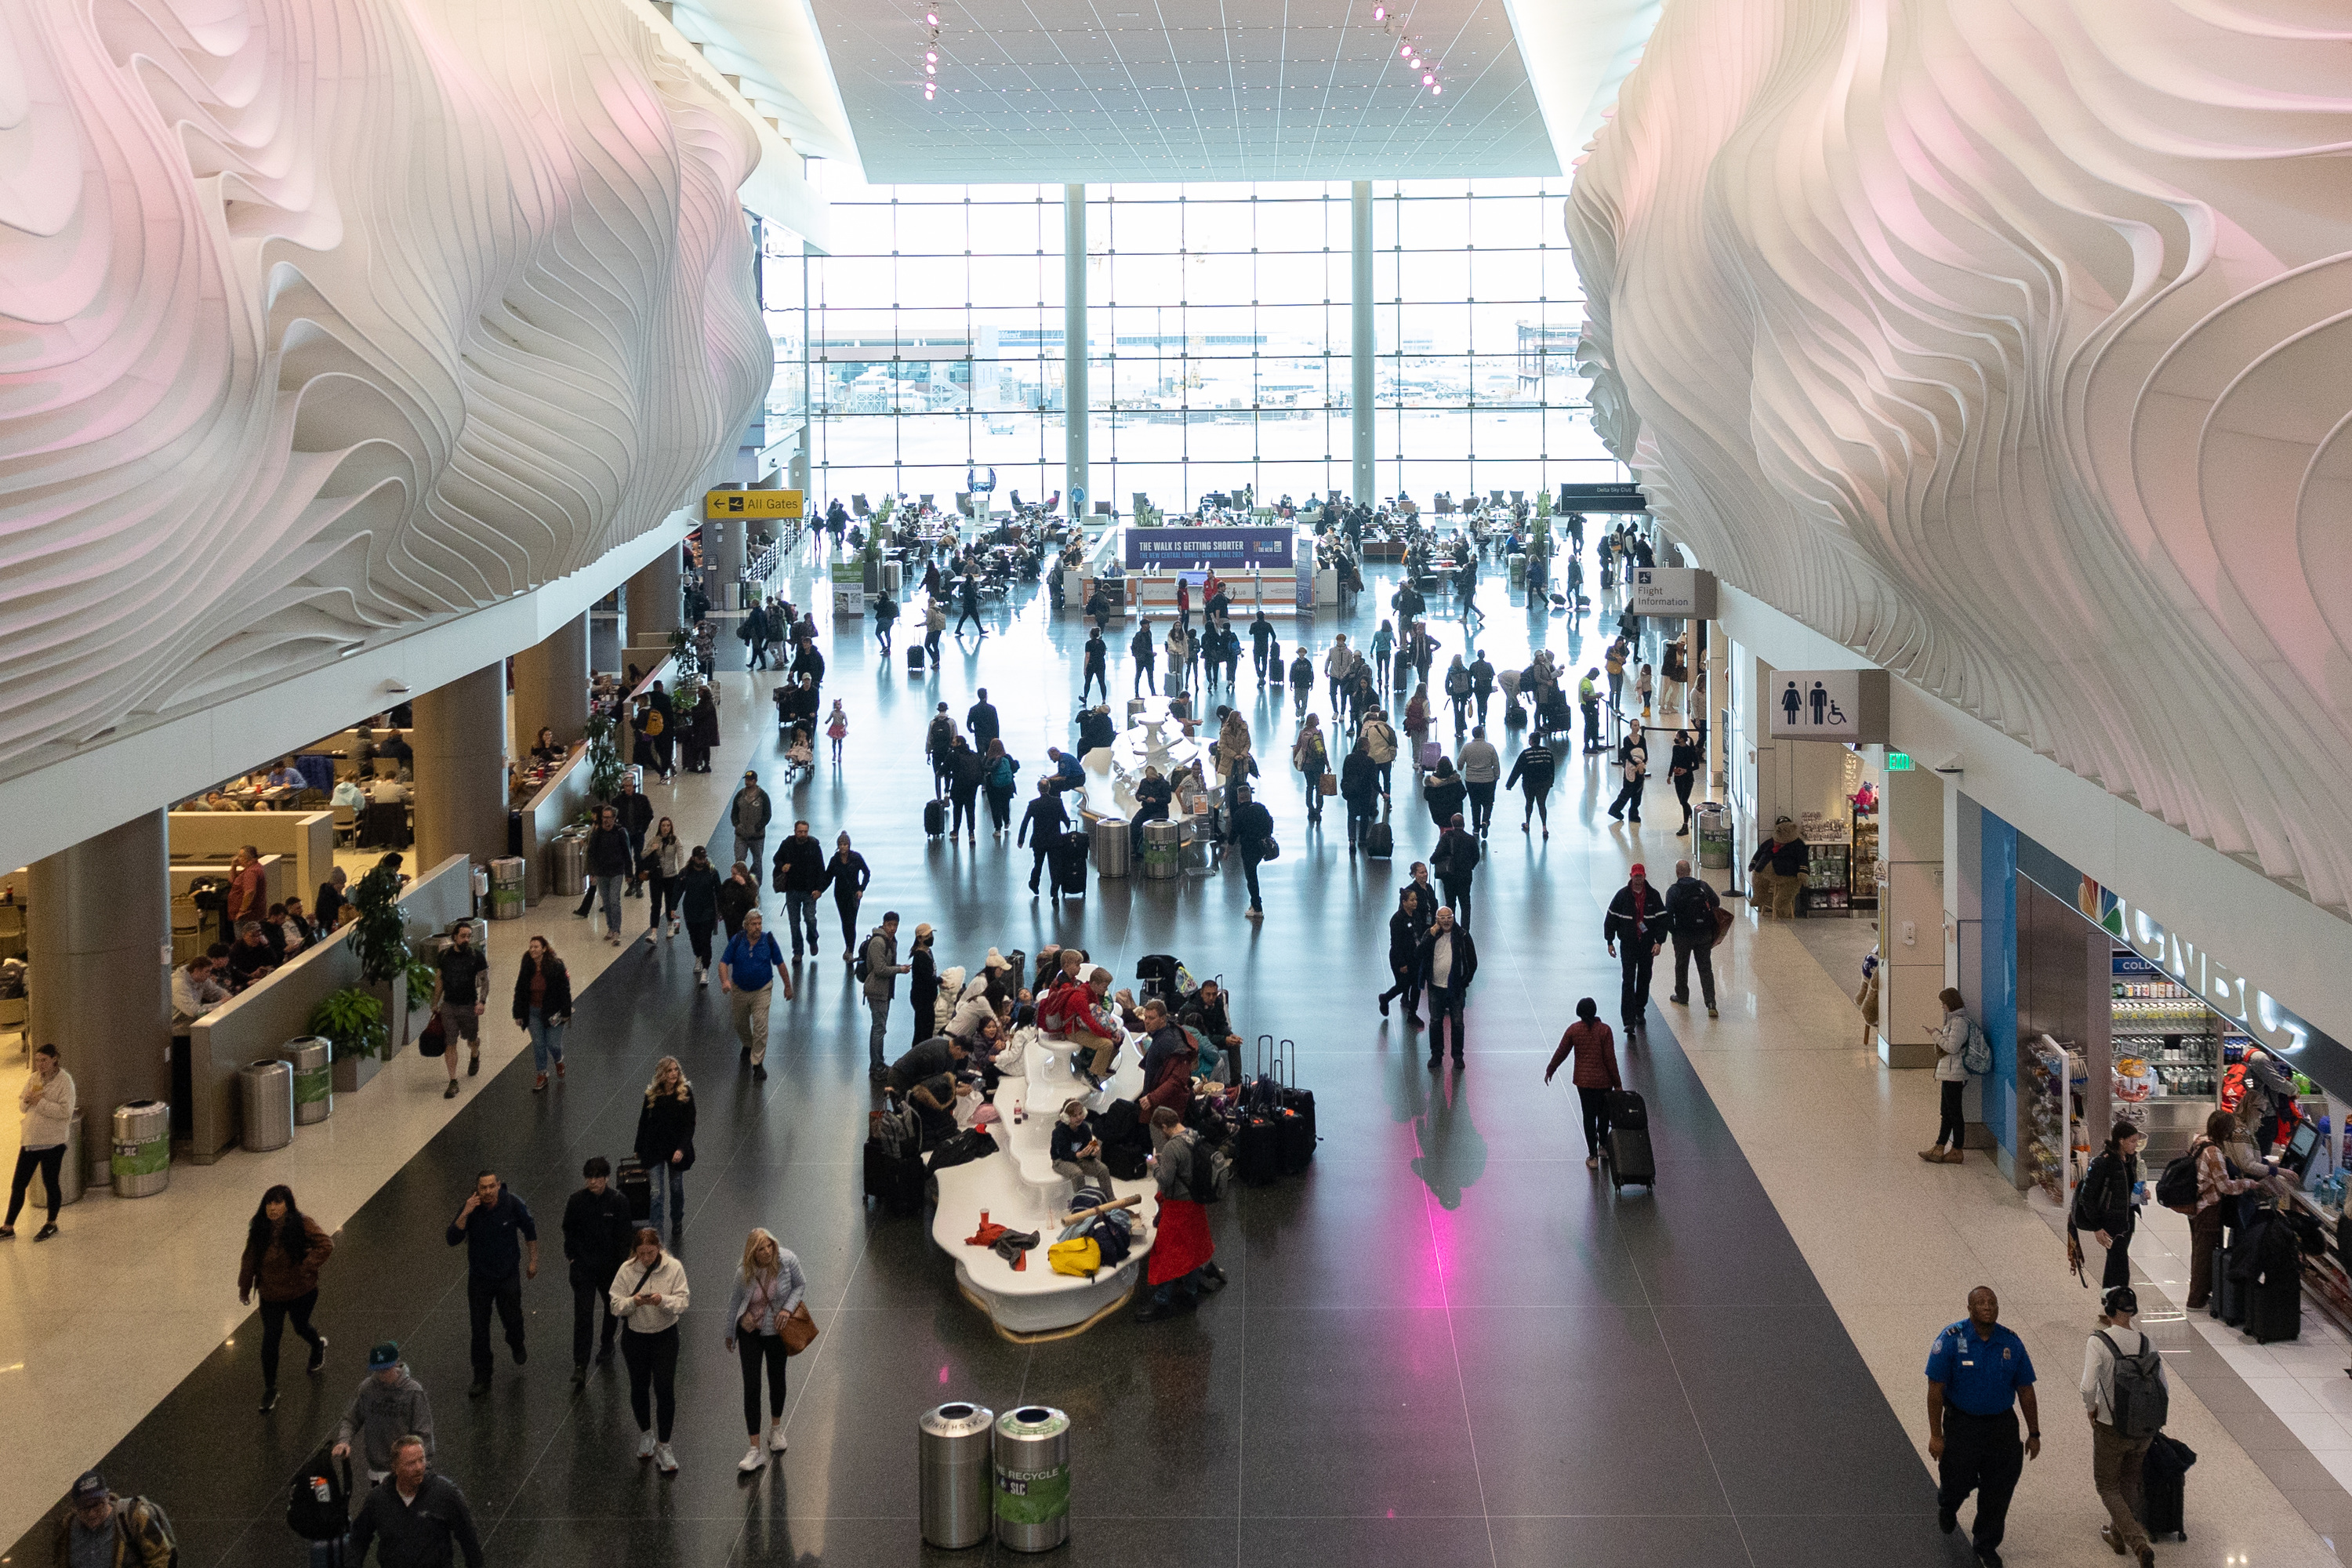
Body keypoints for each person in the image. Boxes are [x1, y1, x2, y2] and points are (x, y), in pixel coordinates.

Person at [1926, 1287, 2041, 1568]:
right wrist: (1936, 1435)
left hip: (2001, 1425)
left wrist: (2034, 1433)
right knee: (1957, 1479)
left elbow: (2025, 1390)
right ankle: (1948, 1502)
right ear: (1970, 1309)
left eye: (1992, 1302)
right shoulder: (1951, 1339)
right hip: (1962, 1424)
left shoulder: (2011, 1343)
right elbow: (1935, 1390)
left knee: (1999, 1487)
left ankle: (1986, 1543)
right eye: (1981, 1302)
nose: (1988, 1306)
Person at [2079, 1285, 2165, 1567]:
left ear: (2109, 1310)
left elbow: (2087, 1386)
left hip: (2110, 1426)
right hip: (2144, 1430)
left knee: (2107, 1485)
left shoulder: (2098, 1342)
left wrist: (2091, 1409)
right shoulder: (2146, 1343)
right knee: (2129, 1480)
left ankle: (2137, 1543)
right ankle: (2116, 1535)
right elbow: (2164, 1388)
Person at [238, 1182, 332, 1410]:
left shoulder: (301, 1224)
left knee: (300, 1326)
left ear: (287, 1205)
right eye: (269, 1202)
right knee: (270, 1339)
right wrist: (244, 1286)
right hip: (270, 1295)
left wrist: (307, 1266)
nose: (273, 1208)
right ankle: (270, 1388)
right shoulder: (259, 1228)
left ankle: (317, 1345)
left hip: (301, 1291)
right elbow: (249, 1259)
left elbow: (326, 1244)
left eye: (278, 1202)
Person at [445, 1170, 537, 1397]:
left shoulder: (513, 1204)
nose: (487, 1192)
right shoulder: (470, 1208)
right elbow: (451, 1239)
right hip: (480, 1278)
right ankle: (482, 1376)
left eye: (491, 1187)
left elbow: (530, 1231)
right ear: (477, 1190)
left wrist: (533, 1260)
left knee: (513, 1317)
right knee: (479, 1329)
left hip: (508, 1275)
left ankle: (516, 1341)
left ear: (498, 1186)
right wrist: (465, 1213)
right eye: (482, 1188)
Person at [608, 1227, 690, 1475]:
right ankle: (646, 1434)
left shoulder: (674, 1268)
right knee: (639, 1387)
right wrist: (633, 1302)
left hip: (666, 1337)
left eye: (651, 1253)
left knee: (665, 1389)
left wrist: (662, 1300)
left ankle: (665, 1446)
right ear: (635, 1252)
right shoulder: (626, 1271)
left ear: (659, 1249)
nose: (646, 1258)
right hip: (636, 1338)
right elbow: (615, 1305)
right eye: (642, 1254)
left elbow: (683, 1302)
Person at [726, 1228, 808, 1471]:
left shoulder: (787, 1261)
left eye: (769, 1246)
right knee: (752, 1385)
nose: (766, 1252)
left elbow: (800, 1285)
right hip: (750, 1331)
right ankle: (754, 1448)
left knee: (777, 1377)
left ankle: (776, 1429)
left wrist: (787, 1309)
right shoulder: (744, 1271)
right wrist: (731, 1332)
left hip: (776, 1330)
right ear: (753, 1252)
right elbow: (734, 1303)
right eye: (761, 1249)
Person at [1136, 1105, 1225, 1322]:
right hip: (1196, 1202)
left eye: (1160, 1129)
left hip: (1178, 1207)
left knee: (1166, 1253)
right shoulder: (1193, 1135)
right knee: (1191, 1249)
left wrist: (1154, 1166)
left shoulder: (1171, 1149)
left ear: (1165, 1126)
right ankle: (1190, 1292)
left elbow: (1165, 1181)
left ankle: (1162, 1300)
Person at [347, 1432, 482, 1567]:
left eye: (421, 1460)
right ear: (396, 1467)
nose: (419, 1468)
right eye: (411, 1463)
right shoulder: (378, 1499)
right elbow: (358, 1539)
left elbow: (469, 1539)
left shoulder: (445, 1494)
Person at [2185, 1109, 2268, 1311]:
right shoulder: (2213, 1152)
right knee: (2204, 1255)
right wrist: (2248, 1183)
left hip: (2197, 1206)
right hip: (2208, 1208)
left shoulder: (2200, 1141)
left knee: (2199, 1251)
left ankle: (2205, 1294)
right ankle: (2196, 1300)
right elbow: (2225, 1186)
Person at [562, 1158, 633, 1385]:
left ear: (606, 1178)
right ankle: (580, 1364)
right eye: (589, 1178)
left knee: (612, 1307)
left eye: (597, 1178)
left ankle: (606, 1343)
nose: (593, 1182)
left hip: (610, 1267)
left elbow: (625, 1236)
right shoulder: (576, 1202)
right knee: (583, 1315)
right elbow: (568, 1230)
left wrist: (623, 1266)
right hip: (583, 1267)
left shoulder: (618, 1202)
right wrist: (572, 1257)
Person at [332, 1343, 434, 1484]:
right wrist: (344, 1441)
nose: (382, 1375)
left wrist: (423, 1467)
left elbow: (423, 1432)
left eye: (386, 1370)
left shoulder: (413, 1392)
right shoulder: (367, 1389)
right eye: (378, 1370)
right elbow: (351, 1419)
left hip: (406, 1469)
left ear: (397, 1363)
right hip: (377, 1470)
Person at [3, 1043, 74, 1243]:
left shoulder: (65, 1082)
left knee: (50, 1183)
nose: (40, 1064)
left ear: (54, 1059)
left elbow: (65, 1112)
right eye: (37, 1060)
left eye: (44, 1060)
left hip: (53, 1142)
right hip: (31, 1141)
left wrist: (40, 1103)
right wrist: (26, 1100)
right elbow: (22, 1106)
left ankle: (51, 1223)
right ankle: (8, 1226)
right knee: (18, 1184)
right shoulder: (34, 1078)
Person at [1544, 999, 1621, 1168]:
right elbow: (1610, 1059)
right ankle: (1603, 1147)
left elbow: (1561, 1051)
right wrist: (1618, 1084)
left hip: (1584, 1083)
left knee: (1588, 1116)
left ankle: (1592, 1156)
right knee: (1603, 1115)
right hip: (1604, 1082)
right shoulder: (1605, 1030)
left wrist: (1551, 1068)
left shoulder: (1574, 1030)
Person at [2072, 1121, 2146, 1292]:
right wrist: (2097, 1227)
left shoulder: (2131, 1160)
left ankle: (2108, 1302)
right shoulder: (2102, 1163)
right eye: (2132, 1141)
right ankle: (2121, 1304)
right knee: (2120, 1265)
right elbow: (2087, 1197)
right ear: (2121, 1141)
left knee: (2115, 1260)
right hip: (2110, 1222)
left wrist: (2141, 1194)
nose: (2136, 1145)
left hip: (2127, 1218)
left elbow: (2128, 1187)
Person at [51, 1469, 177, 1568]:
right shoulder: (68, 1528)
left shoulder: (132, 1517)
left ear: (107, 1497)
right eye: (83, 1508)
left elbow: (161, 1557)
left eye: (97, 1504)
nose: (91, 1513)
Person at [719, 912, 791, 1081]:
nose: (758, 927)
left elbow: (780, 964)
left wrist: (788, 986)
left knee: (760, 1026)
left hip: (762, 989)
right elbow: (723, 963)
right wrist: (724, 981)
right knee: (739, 1023)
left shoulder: (769, 941)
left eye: (760, 923)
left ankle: (757, 1064)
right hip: (739, 989)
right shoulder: (737, 941)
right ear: (746, 926)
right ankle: (747, 1043)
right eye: (754, 924)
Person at [633, 1058, 697, 1243]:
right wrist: (638, 1148)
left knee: (676, 1188)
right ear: (662, 1074)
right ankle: (656, 1236)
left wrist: (681, 1149)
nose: (674, 1074)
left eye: (676, 1070)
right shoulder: (652, 1095)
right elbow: (643, 1122)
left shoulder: (685, 1094)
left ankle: (677, 1219)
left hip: (676, 1149)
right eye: (669, 1071)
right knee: (656, 1193)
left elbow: (690, 1125)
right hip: (654, 1149)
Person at [1602, 863, 1667, 1039]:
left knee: (1645, 978)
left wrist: (1659, 942)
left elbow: (1662, 921)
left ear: (1644, 877)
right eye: (1635, 877)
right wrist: (1610, 941)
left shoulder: (1653, 896)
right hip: (1629, 946)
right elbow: (1611, 919)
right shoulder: (1622, 896)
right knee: (1628, 980)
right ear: (1631, 876)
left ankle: (1640, 1010)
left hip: (1647, 946)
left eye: (1640, 877)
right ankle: (1628, 1020)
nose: (1638, 880)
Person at [430, 919, 488, 1099]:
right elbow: (439, 980)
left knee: (471, 1039)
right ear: (455, 937)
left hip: (469, 1006)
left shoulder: (476, 956)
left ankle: (475, 1052)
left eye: (469, 936)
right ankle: (453, 1080)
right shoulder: (444, 956)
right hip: (449, 1006)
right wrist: (435, 1002)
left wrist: (482, 1001)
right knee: (450, 1041)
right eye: (463, 936)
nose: (466, 940)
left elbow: (485, 980)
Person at [507, 935, 572, 1092]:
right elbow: (520, 990)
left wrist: (566, 1012)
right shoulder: (527, 967)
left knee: (553, 1044)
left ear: (544, 949)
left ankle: (558, 1060)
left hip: (553, 1012)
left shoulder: (556, 966)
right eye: (531, 947)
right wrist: (518, 1013)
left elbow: (565, 990)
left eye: (536, 947)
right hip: (533, 1012)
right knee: (538, 1043)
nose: (533, 950)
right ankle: (542, 1073)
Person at [1417, 906, 1477, 1068]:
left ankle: (1458, 1056)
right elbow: (1419, 954)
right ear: (1437, 920)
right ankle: (1436, 1055)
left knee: (1457, 1023)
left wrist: (1464, 981)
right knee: (1435, 1022)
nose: (1446, 921)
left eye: (1448, 917)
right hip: (1436, 987)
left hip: (1455, 988)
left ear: (1453, 917)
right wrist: (1430, 934)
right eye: (1442, 918)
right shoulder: (1430, 935)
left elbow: (1472, 962)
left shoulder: (1463, 936)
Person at [1663, 858, 1722, 1018]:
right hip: (1704, 934)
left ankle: (1682, 997)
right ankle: (1711, 1003)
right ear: (1690, 871)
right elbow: (1717, 902)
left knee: (1681, 966)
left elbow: (1667, 914)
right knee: (1705, 968)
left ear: (1677, 872)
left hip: (1683, 935)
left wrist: (1674, 931)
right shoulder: (1702, 886)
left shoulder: (1674, 890)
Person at [1923, 987, 1975, 1164]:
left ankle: (1956, 1149)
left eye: (1943, 1003)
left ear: (1951, 1003)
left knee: (1953, 1113)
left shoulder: (1959, 1022)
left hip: (1954, 1073)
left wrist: (1935, 1035)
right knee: (1947, 1112)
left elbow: (1952, 1047)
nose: (1942, 1006)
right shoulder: (1957, 1021)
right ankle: (1940, 1146)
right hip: (1950, 1072)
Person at [861, 913, 910, 1078]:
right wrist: (899, 969)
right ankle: (876, 1066)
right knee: (878, 1029)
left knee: (879, 1028)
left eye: (895, 925)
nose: (893, 929)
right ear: (884, 924)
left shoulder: (890, 941)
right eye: (890, 925)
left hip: (884, 991)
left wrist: (897, 967)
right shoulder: (878, 942)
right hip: (877, 991)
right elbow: (880, 969)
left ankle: (878, 1063)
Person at [771, 819, 826, 960]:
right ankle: (798, 951)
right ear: (795, 831)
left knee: (810, 919)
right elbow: (777, 859)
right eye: (800, 832)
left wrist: (820, 889)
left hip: (810, 891)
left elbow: (821, 869)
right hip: (792, 890)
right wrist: (782, 866)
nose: (803, 834)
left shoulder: (814, 846)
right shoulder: (787, 844)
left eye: (805, 832)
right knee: (794, 923)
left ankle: (813, 939)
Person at [1377, 886, 1428, 1025]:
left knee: (1416, 986)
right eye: (1412, 900)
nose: (1415, 902)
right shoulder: (1397, 920)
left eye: (1416, 900)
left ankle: (1412, 1014)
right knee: (1403, 985)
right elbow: (1396, 944)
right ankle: (1385, 998)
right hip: (1400, 958)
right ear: (1404, 902)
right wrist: (1402, 963)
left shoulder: (1417, 916)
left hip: (1415, 957)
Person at [583, 804, 633, 947]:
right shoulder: (597, 834)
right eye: (604, 817)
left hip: (617, 871)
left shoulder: (620, 832)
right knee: (606, 901)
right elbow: (591, 854)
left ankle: (616, 930)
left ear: (614, 818)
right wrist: (592, 872)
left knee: (614, 900)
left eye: (609, 817)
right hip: (602, 872)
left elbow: (627, 854)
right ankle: (610, 927)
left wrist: (629, 874)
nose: (606, 821)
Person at [1228, 784, 1276, 921]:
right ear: (1250, 796)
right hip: (1261, 848)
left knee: (1251, 877)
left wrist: (1228, 851)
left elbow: (1234, 834)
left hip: (1248, 849)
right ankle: (1255, 904)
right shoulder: (1260, 808)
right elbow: (1270, 822)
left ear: (1239, 798)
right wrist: (1267, 835)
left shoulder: (1239, 814)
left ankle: (1257, 907)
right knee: (1253, 874)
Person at [676, 847, 721, 987]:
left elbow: (719, 891)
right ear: (694, 858)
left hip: (707, 911)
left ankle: (706, 969)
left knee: (705, 939)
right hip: (690, 911)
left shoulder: (712, 872)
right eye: (700, 858)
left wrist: (721, 911)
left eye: (704, 858)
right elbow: (678, 889)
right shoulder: (685, 872)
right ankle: (698, 956)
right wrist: (672, 907)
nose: (703, 860)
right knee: (694, 937)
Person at [1751, 815, 1812, 918]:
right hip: (1764, 870)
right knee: (1758, 877)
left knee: (1791, 885)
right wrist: (1753, 863)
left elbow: (1803, 859)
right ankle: (1759, 896)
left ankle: (1781, 904)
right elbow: (1760, 851)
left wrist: (1803, 871)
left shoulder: (1798, 844)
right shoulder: (1770, 842)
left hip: (1788, 873)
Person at [1019, 778, 1069, 895]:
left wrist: (1021, 839)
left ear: (1038, 790)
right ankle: (1054, 891)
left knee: (1038, 864)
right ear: (1049, 788)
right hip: (1054, 840)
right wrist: (1068, 826)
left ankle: (1034, 884)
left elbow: (1025, 822)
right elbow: (1065, 818)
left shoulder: (1033, 804)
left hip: (1039, 840)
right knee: (1054, 866)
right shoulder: (1057, 802)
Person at [826, 833, 871, 956]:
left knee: (851, 922)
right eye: (841, 844)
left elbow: (866, 873)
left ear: (849, 845)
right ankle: (848, 946)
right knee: (845, 921)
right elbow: (828, 877)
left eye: (845, 844)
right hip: (840, 894)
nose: (843, 847)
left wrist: (861, 889)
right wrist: (819, 890)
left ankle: (850, 950)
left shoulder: (856, 858)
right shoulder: (834, 860)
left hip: (853, 895)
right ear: (838, 846)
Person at [641, 815, 684, 942]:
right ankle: (653, 933)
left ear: (671, 827)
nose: (665, 828)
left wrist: (681, 873)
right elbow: (643, 854)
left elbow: (680, 857)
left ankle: (672, 926)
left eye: (668, 826)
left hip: (671, 876)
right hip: (656, 877)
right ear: (660, 827)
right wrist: (651, 849)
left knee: (671, 904)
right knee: (656, 904)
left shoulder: (676, 840)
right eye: (663, 826)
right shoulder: (654, 840)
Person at [1433, 813, 1479, 927]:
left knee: (1450, 904)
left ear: (1452, 824)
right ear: (1464, 824)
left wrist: (1433, 859)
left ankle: (1450, 928)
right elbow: (1476, 856)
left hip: (1449, 877)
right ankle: (1465, 930)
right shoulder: (1470, 839)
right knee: (1465, 905)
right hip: (1465, 877)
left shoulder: (1446, 837)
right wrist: (1470, 866)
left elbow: (1437, 855)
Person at [1505, 732, 1555, 837]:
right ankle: (1544, 828)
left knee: (1529, 802)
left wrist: (1510, 784)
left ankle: (1527, 823)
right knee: (1542, 804)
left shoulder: (1526, 754)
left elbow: (1517, 770)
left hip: (1529, 783)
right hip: (1544, 783)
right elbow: (1552, 769)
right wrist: (1551, 782)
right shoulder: (1547, 752)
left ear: (1531, 741)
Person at [613, 775, 654, 895]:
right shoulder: (617, 801)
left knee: (638, 857)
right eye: (626, 786)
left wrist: (643, 828)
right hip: (625, 835)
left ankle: (638, 883)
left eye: (630, 786)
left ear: (634, 786)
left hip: (638, 833)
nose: (628, 788)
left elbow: (649, 815)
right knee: (627, 859)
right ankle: (630, 882)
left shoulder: (642, 799)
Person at [1457, 726, 1501, 837]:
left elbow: (1460, 764)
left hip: (1472, 781)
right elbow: (1496, 764)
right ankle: (1485, 821)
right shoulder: (1490, 747)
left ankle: (1476, 828)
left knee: (1475, 804)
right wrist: (1496, 776)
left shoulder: (1467, 748)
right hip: (1488, 780)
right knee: (1488, 803)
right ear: (1482, 734)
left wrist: (1462, 768)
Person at [1339, 734, 1380, 851]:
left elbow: (1345, 774)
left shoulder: (1349, 758)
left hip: (1351, 791)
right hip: (1365, 792)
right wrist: (1382, 792)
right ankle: (1362, 839)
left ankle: (1352, 840)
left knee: (1351, 816)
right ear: (1366, 747)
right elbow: (1374, 780)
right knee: (1364, 815)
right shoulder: (1370, 761)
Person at [729, 770, 773, 873]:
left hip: (757, 836)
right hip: (741, 835)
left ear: (755, 781)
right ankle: (740, 883)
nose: (748, 782)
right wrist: (737, 825)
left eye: (750, 780)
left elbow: (767, 815)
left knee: (757, 862)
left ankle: (756, 885)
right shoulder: (740, 795)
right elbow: (734, 813)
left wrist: (758, 827)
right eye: (747, 780)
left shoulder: (763, 796)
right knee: (739, 861)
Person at [1291, 715, 1329, 828]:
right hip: (1318, 765)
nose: (1319, 720)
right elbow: (1323, 750)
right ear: (1314, 721)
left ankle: (1310, 809)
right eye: (1317, 719)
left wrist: (1297, 762)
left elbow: (1298, 748)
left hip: (1307, 765)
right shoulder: (1318, 733)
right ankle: (1318, 810)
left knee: (1309, 787)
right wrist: (1327, 764)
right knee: (1319, 788)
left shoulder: (1303, 733)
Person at [172, 953, 229, 1024]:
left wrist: (228, 998)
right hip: (175, 1026)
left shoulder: (202, 979)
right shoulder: (179, 984)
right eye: (207, 971)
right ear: (196, 970)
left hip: (190, 1022)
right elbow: (192, 1011)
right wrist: (220, 1004)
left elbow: (215, 991)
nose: (209, 975)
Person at [982, 739, 1020, 837]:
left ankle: (998, 829)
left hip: (993, 786)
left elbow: (982, 769)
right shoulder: (1007, 757)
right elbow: (1014, 769)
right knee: (1005, 804)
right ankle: (1007, 821)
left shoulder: (988, 759)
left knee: (995, 807)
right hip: (1007, 786)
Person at [1607, 731, 1648, 823]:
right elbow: (1628, 755)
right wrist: (1636, 764)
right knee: (1627, 791)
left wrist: (1642, 764)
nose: (1636, 727)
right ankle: (1615, 809)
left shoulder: (1642, 739)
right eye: (1634, 725)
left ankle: (1634, 814)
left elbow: (1645, 753)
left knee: (1638, 791)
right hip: (1630, 769)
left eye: (1637, 725)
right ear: (1631, 726)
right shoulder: (1627, 739)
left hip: (1640, 768)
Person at [1668, 729, 1703, 834]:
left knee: (1684, 801)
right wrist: (1670, 775)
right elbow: (1673, 761)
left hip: (1688, 779)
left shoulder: (1691, 750)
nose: (1676, 739)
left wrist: (1686, 770)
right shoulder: (1675, 748)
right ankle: (1692, 815)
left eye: (1677, 737)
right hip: (1678, 778)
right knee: (1682, 802)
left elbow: (1696, 766)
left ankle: (1685, 825)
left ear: (1682, 739)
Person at [717, 858, 759, 946]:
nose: (732, 876)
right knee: (732, 941)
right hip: (730, 919)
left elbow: (751, 898)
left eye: (735, 874)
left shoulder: (751, 884)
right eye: (732, 873)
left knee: (743, 941)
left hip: (745, 919)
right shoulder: (728, 883)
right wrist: (722, 912)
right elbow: (720, 898)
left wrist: (743, 885)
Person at [1362, 706, 1399, 802]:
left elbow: (1365, 742)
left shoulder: (1370, 729)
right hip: (1385, 759)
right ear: (1386, 718)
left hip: (1373, 759)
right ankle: (1388, 800)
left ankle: (1373, 802)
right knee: (1387, 780)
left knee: (1374, 781)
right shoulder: (1389, 729)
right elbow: (1394, 744)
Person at [315, 866, 350, 930]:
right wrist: (338, 924)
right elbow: (329, 919)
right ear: (335, 883)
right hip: (330, 931)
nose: (344, 886)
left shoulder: (339, 897)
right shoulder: (326, 897)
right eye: (342, 883)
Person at [1081, 626, 1109, 703]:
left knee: (1087, 682)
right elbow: (1104, 653)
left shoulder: (1088, 644)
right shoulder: (1102, 643)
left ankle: (1085, 697)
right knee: (1102, 682)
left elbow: (1087, 656)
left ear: (1091, 634)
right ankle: (1104, 699)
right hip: (1100, 664)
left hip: (1091, 664)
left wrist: (1085, 668)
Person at [1468, 649, 1495, 724]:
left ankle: (1480, 719)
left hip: (1477, 686)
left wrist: (1470, 688)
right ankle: (1483, 718)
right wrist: (1489, 683)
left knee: (1479, 703)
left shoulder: (1473, 665)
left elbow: (1469, 677)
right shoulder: (1488, 665)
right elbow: (1492, 676)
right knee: (1484, 702)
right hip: (1487, 687)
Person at [873, 590, 898, 659]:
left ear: (882, 595)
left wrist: (876, 602)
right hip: (890, 620)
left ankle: (883, 646)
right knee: (887, 634)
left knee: (877, 633)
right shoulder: (890, 602)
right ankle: (888, 648)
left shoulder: (882, 602)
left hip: (883, 620)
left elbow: (877, 608)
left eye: (879, 595)